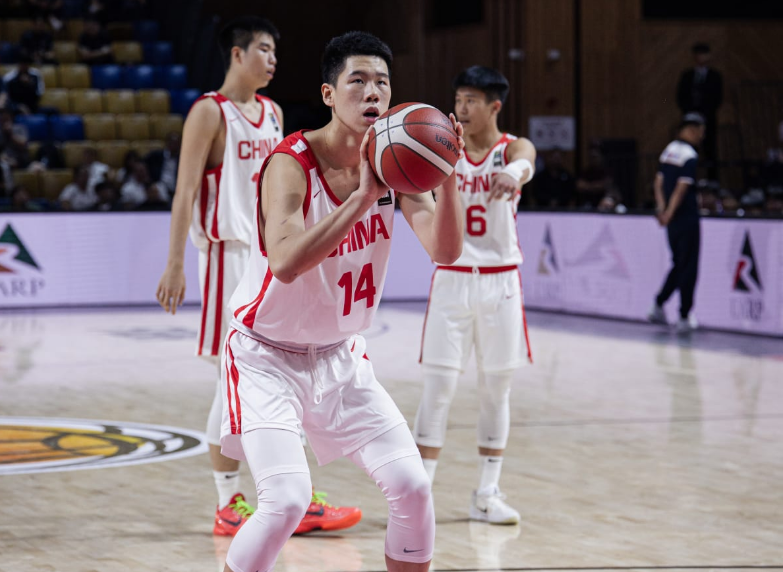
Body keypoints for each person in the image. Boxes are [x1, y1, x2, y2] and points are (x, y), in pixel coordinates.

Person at [217, 31, 463, 572]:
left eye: (382, 82)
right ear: (328, 93)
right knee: (286, 502)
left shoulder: (397, 164)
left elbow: (445, 251)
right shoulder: (291, 162)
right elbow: (285, 262)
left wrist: (447, 178)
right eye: (358, 80)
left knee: (413, 486)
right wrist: (362, 199)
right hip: (265, 357)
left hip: (340, 358)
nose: (373, 92)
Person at [156, 16, 360, 538]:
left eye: (274, 51)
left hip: (272, 254)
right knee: (232, 379)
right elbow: (184, 192)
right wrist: (176, 261)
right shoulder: (209, 111)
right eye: (264, 50)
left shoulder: (273, 112)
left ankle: (293, 495)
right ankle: (229, 501)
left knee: (286, 367)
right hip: (227, 254)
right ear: (237, 54)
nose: (273, 60)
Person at [413, 65, 535, 526]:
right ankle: (418, 496)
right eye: (458, 99)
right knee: (438, 387)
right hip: (453, 277)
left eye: (471, 101)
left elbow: (527, 156)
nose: (461, 108)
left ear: (494, 106)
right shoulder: (444, 147)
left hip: (500, 282)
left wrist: (515, 174)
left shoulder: (510, 150)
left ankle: (486, 494)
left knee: (496, 390)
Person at [648, 112, 706, 334]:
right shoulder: (689, 155)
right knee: (688, 266)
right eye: (700, 132)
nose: (701, 137)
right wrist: (670, 213)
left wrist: (662, 210)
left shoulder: (669, 151)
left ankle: (658, 304)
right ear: (692, 130)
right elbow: (681, 189)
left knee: (679, 263)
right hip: (685, 217)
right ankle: (683, 315)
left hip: (671, 221)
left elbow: (658, 183)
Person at [676, 43, 722, 180]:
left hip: (708, 118)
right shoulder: (687, 75)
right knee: (689, 151)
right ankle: (689, 179)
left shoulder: (715, 76)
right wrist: (690, 114)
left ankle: (713, 181)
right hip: (690, 118)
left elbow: (717, 98)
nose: (701, 57)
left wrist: (704, 114)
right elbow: (680, 96)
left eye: (704, 54)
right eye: (699, 54)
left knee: (710, 150)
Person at [146, 131, 180, 199]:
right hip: (159, 188)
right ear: (167, 143)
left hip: (176, 190)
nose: (174, 146)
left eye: (176, 143)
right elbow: (142, 164)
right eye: (172, 143)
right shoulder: (156, 155)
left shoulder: (181, 159)